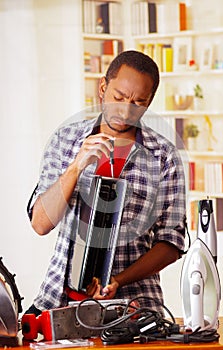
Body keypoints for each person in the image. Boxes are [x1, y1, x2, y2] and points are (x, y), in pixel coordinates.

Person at [25, 50, 186, 317]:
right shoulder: (65, 140)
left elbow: (171, 243)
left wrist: (119, 280)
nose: (125, 110)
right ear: (103, 87)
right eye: (118, 97)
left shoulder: (165, 156)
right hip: (59, 302)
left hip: (134, 307)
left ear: (149, 102)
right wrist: (76, 167)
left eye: (138, 102)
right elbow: (41, 223)